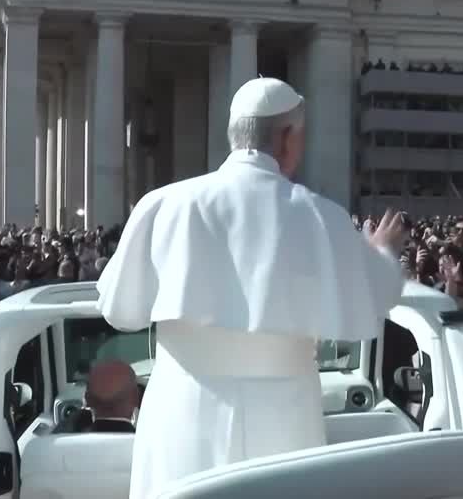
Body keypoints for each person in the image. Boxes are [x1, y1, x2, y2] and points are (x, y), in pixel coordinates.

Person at [95, 77, 406, 498]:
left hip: (184, 410)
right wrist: (383, 251)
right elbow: (379, 293)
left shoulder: (163, 204)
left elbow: (120, 312)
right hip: (283, 417)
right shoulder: (320, 215)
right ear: (288, 137)